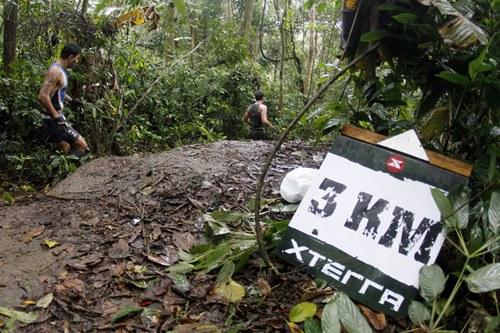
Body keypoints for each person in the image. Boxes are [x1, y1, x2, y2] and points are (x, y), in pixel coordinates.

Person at [38, 43, 88, 157]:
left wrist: (71, 100)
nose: (77, 61)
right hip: (52, 118)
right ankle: (72, 174)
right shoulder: (55, 71)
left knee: (64, 148)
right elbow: (42, 96)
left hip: (53, 117)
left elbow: (56, 91)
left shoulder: (60, 69)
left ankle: (61, 173)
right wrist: (56, 117)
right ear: (70, 57)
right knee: (81, 144)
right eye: (77, 58)